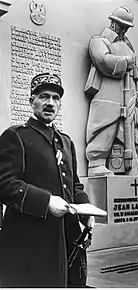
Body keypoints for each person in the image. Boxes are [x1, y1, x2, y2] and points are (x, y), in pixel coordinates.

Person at [0, 72, 94, 287]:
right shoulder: (16, 136)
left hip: (68, 238)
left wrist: (86, 209)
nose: (50, 103)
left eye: (55, 98)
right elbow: (4, 183)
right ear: (31, 101)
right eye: (44, 96)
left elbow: (74, 186)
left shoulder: (67, 142)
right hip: (31, 242)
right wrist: (46, 201)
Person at [85, 6, 138, 177]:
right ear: (112, 22)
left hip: (130, 95)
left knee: (131, 131)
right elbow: (102, 60)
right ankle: (96, 164)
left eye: (126, 26)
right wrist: (126, 61)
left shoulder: (129, 46)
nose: (123, 29)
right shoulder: (99, 41)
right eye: (120, 24)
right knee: (105, 125)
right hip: (108, 93)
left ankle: (131, 167)